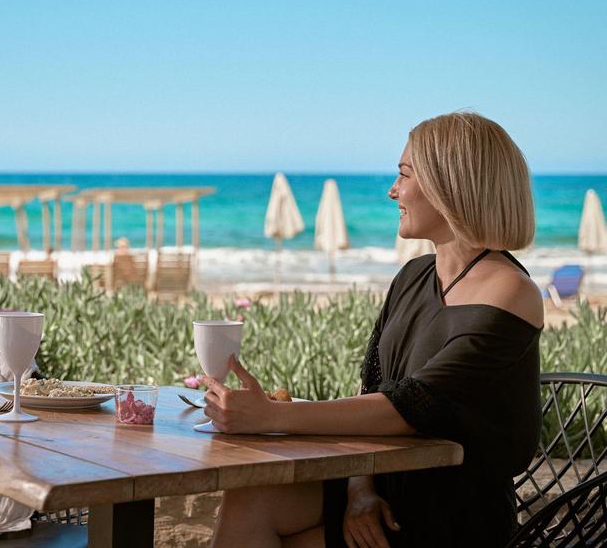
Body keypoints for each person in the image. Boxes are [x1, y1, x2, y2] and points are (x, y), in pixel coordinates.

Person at [204, 112, 543, 548]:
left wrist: (271, 416)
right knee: (251, 499)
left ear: (451, 185)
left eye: (404, 174)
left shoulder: (510, 291)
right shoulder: (413, 276)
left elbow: (413, 405)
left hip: (453, 513)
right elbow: (375, 389)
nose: (392, 190)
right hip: (387, 487)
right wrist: (359, 489)